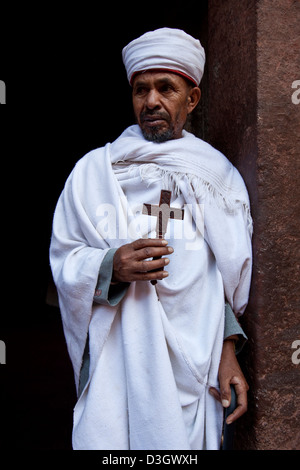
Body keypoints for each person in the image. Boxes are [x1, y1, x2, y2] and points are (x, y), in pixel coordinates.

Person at [50, 28, 252, 450]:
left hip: (194, 368)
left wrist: (227, 349)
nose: (152, 101)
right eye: (141, 90)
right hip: (119, 366)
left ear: (191, 99)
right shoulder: (92, 173)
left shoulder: (218, 179)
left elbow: (226, 277)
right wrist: (110, 266)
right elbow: (65, 260)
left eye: (166, 88)